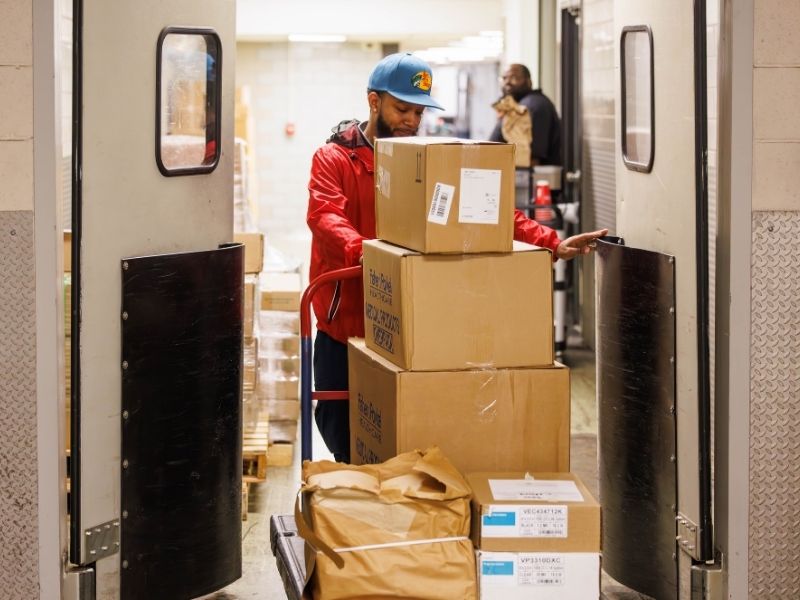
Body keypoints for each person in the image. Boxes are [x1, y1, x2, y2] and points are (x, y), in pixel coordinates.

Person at [306, 52, 606, 463]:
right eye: (402, 109)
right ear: (373, 102)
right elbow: (325, 215)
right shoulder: (334, 159)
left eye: (419, 112)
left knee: (400, 429)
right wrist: (370, 255)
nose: (412, 121)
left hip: (407, 318)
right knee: (339, 420)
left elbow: (489, 208)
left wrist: (552, 241)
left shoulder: (426, 161)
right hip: (347, 318)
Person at [490, 63, 561, 167]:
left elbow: (531, 159)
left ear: (529, 82)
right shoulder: (518, 105)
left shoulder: (530, 107)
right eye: (504, 78)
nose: (507, 82)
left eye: (514, 78)